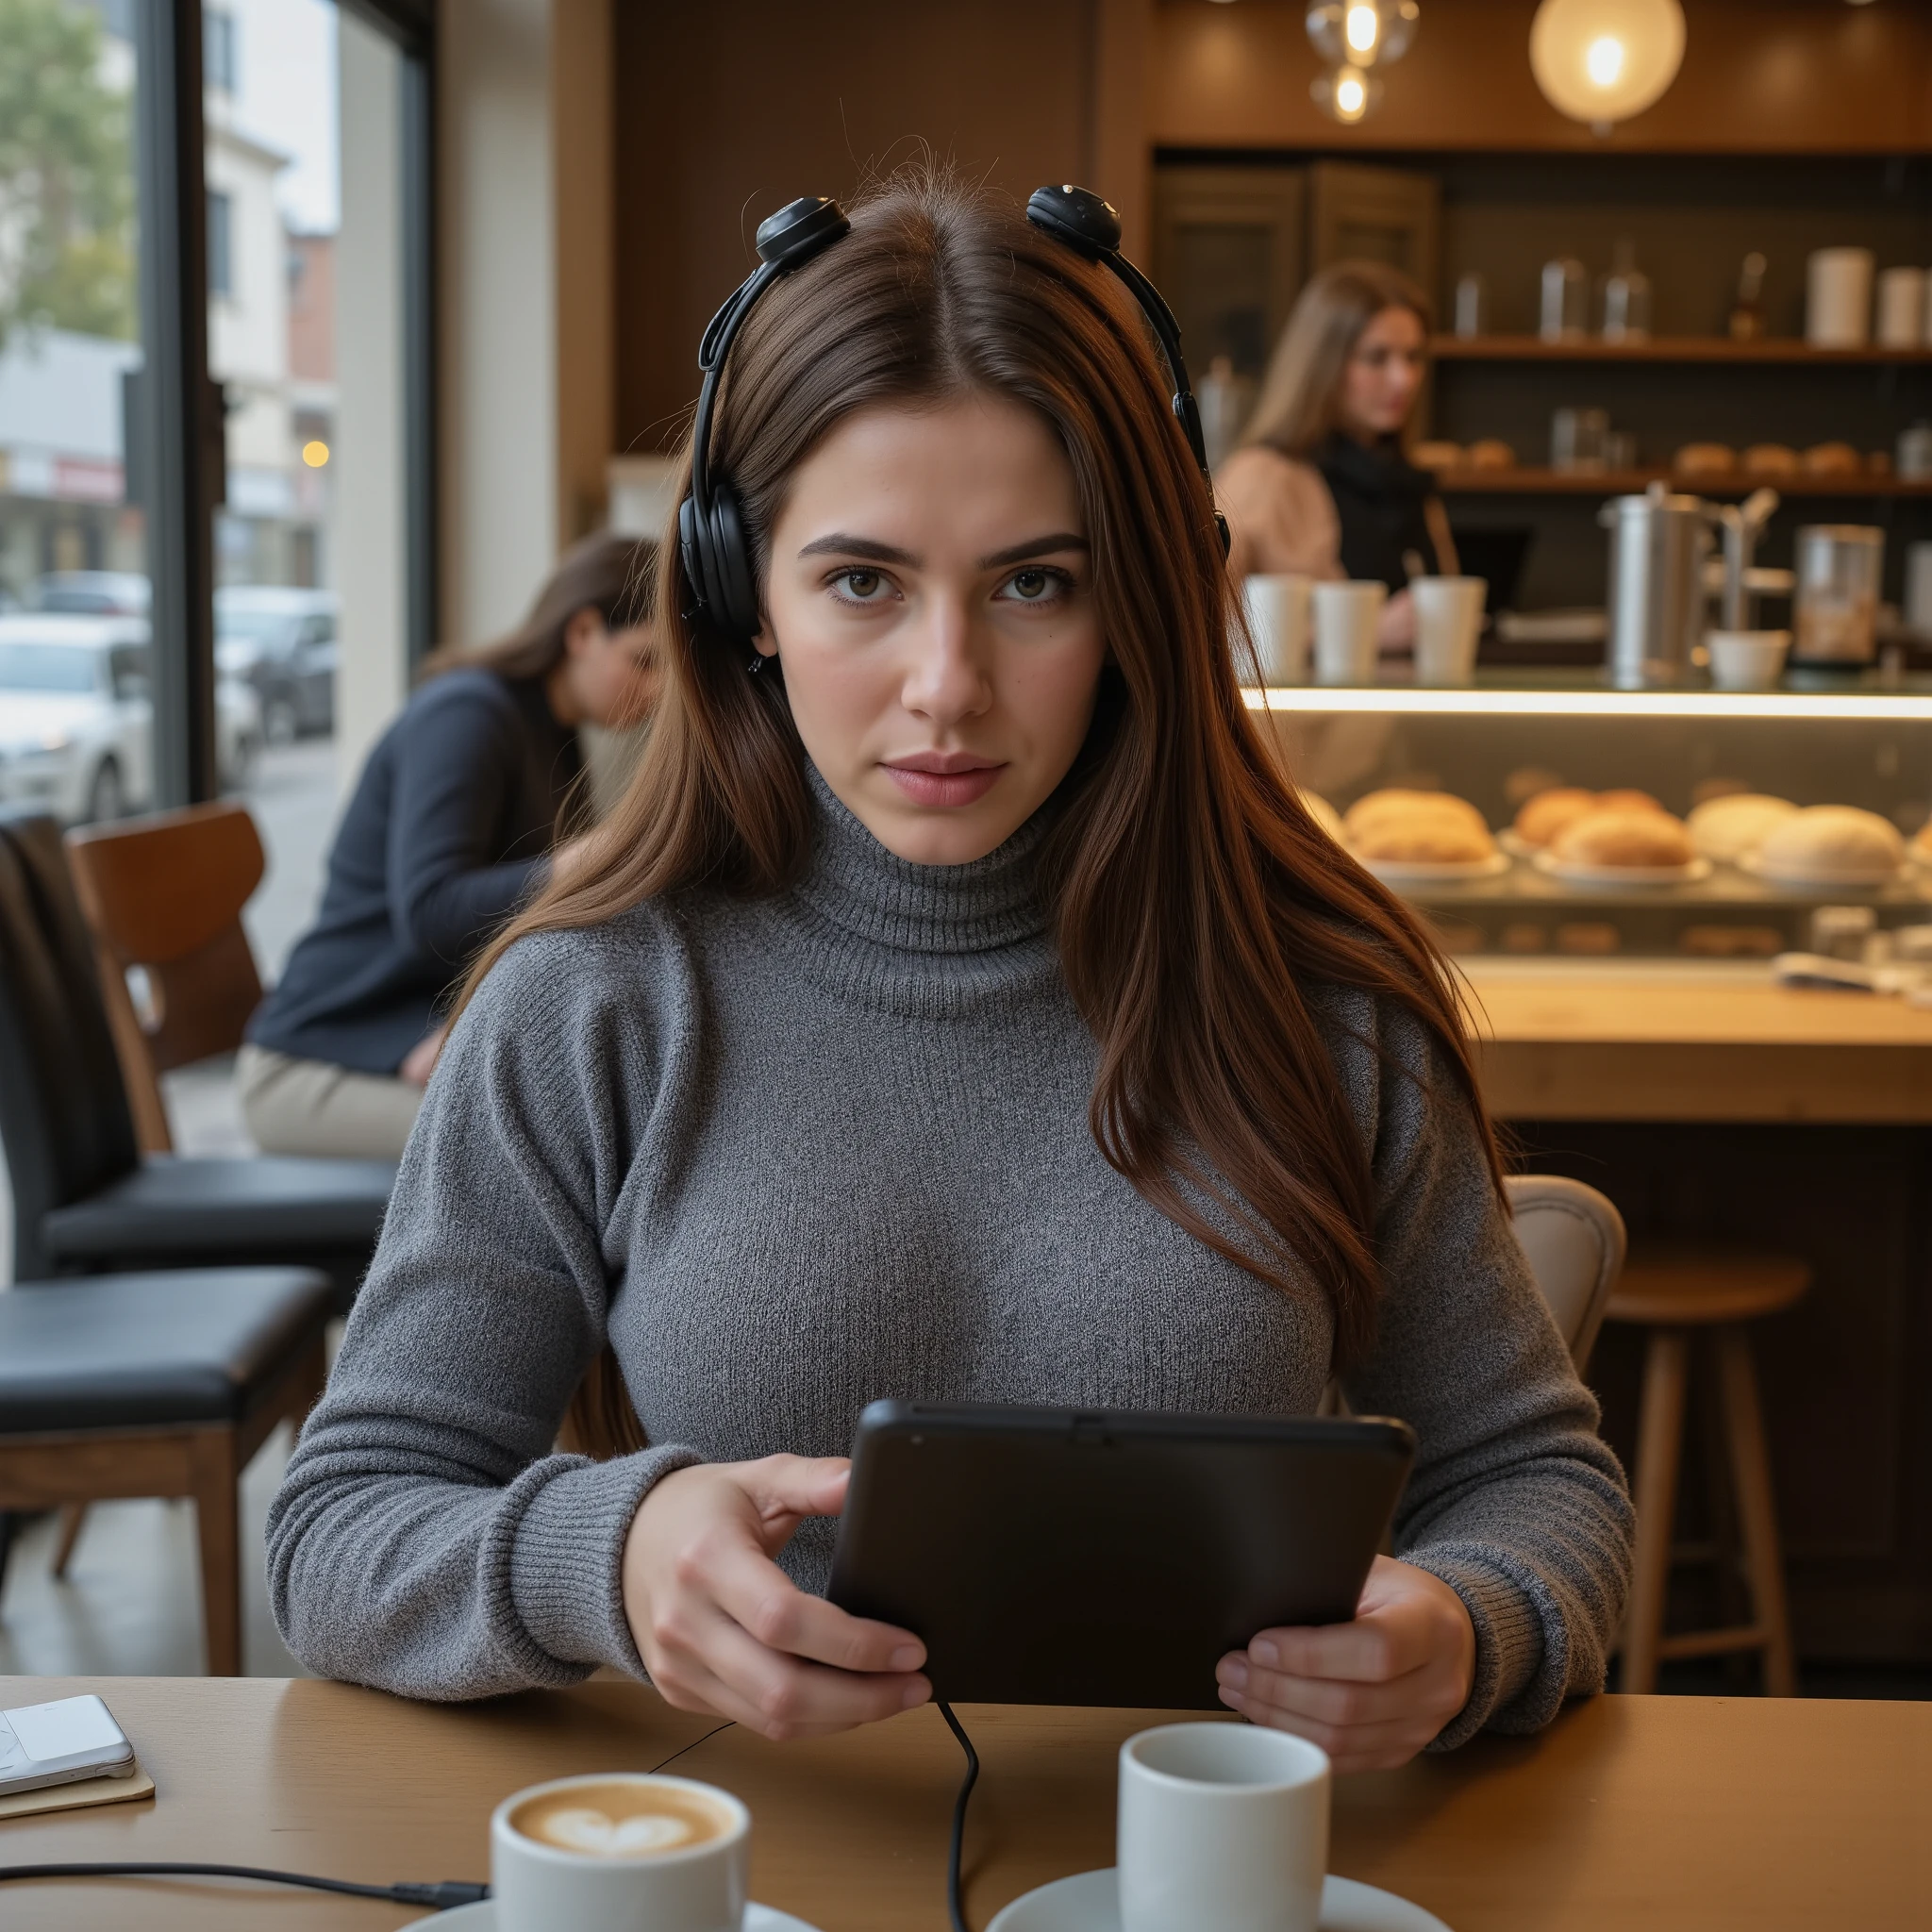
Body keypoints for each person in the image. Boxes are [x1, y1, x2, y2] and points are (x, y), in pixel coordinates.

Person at [267, 173, 1630, 1774]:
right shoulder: (595, 1001)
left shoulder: (1321, 999)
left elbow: (1542, 1485)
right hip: (747, 1875)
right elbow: (339, 1526)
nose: (945, 688)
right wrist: (609, 1551)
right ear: (737, 592)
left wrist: (1470, 1625)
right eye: (860, 580)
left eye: (1034, 583)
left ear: (1142, 596)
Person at [237, 534, 658, 1160]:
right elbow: (432, 914)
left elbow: (541, 928)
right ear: (583, 632)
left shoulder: (551, 733)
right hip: (315, 1065)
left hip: (402, 1045)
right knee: (573, 1156)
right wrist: (592, 859)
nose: (659, 692)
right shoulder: (468, 714)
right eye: (646, 660)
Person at [1218, 261, 1457, 655]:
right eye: (1377, 357)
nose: (1404, 379)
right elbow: (1206, 626)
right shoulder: (1261, 476)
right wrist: (1367, 634)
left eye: (1413, 357)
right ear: (1322, 364)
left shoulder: (1409, 483)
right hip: (1306, 717)